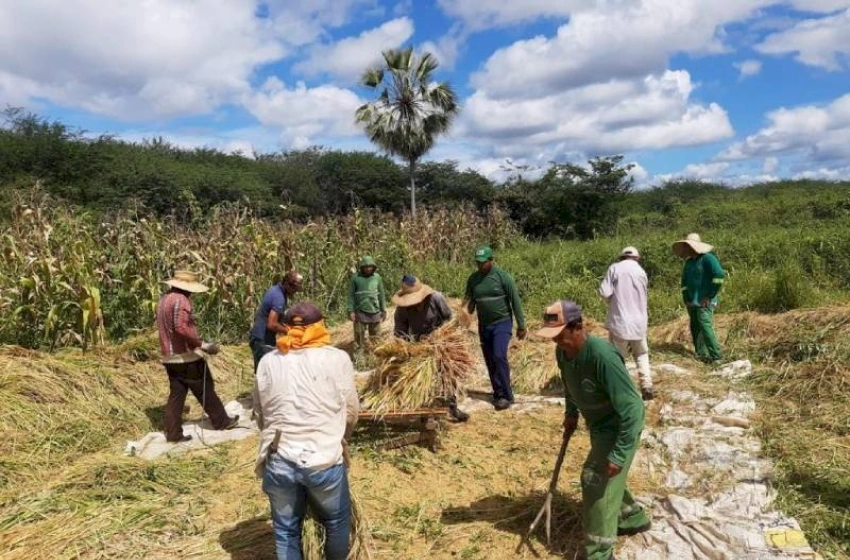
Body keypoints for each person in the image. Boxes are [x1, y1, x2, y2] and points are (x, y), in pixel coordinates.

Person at [536, 300, 650, 560]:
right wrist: (570, 413)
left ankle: (599, 552)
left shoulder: (602, 356)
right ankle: (632, 518)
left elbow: (634, 409)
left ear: (577, 327)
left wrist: (620, 454)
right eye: (552, 337)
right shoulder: (563, 353)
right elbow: (570, 384)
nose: (556, 342)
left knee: (594, 479)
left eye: (560, 335)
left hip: (619, 427)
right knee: (604, 478)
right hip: (598, 426)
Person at [253, 302, 359, 560]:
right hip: (324, 460)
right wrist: (341, 438)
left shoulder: (268, 361)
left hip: (280, 459)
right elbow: (352, 411)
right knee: (336, 521)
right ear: (320, 326)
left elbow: (260, 411)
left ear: (286, 329)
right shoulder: (337, 358)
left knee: (286, 530)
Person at [155, 270, 239, 443]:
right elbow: (180, 327)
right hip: (185, 355)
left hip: (170, 356)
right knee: (205, 387)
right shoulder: (181, 300)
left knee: (177, 394)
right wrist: (202, 344)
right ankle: (222, 421)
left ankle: (173, 433)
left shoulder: (164, 299)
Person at [392, 274, 470, 422]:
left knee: (447, 372)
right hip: (419, 344)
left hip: (442, 341)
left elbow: (449, 319)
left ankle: (452, 407)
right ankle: (425, 410)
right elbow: (400, 333)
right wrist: (406, 349)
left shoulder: (436, 298)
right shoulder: (402, 309)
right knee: (421, 376)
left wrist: (440, 334)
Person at [463, 246, 526, 411]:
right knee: (490, 359)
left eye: (483, 262)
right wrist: (462, 319)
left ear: (491, 260)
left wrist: (522, 325)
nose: (480, 265)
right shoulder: (473, 279)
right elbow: (468, 303)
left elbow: (515, 302)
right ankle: (498, 394)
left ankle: (507, 394)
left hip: (502, 322)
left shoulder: (503, 277)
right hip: (484, 325)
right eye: (478, 262)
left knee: (499, 355)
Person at [598, 246, 655, 401]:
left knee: (618, 358)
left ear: (621, 257)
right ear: (637, 258)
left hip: (620, 320)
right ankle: (647, 385)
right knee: (641, 353)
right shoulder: (641, 272)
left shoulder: (615, 268)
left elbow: (604, 292)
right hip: (639, 321)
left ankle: (622, 389)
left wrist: (613, 300)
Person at [673, 233, 726, 364]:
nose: (685, 249)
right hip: (693, 301)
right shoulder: (689, 263)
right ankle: (701, 354)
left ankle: (716, 356)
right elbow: (684, 283)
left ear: (693, 247)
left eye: (687, 246)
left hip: (706, 300)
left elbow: (719, 275)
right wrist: (686, 299)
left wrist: (709, 295)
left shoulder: (708, 259)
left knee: (704, 324)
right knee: (695, 326)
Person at [249, 271, 303, 373]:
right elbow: (272, 324)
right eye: (295, 289)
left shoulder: (275, 290)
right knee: (267, 373)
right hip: (262, 340)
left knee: (266, 373)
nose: (295, 292)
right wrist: (289, 331)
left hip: (261, 337)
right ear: (287, 284)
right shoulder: (279, 298)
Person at [347, 256, 387, 353]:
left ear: (373, 267)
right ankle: (359, 358)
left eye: (370, 267)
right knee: (359, 336)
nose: (368, 269)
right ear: (362, 267)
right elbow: (351, 295)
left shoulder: (377, 277)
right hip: (360, 310)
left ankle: (376, 356)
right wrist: (350, 310)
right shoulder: (355, 278)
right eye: (366, 267)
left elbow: (381, 294)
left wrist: (383, 309)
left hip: (375, 310)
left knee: (376, 336)